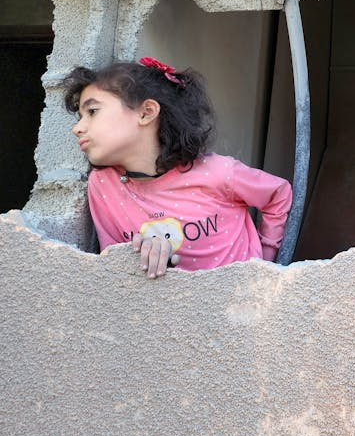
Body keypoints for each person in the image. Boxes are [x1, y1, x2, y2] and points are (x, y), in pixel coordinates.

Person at [64, 57, 292, 278]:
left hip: (238, 305)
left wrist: (266, 262)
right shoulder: (103, 185)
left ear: (146, 113)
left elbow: (278, 194)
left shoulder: (218, 172)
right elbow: (115, 265)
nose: (77, 128)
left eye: (92, 112)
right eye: (80, 116)